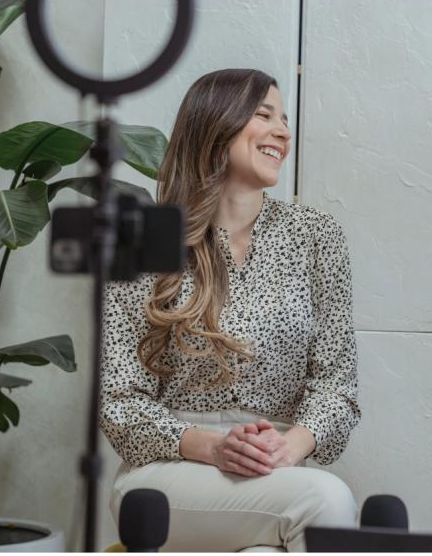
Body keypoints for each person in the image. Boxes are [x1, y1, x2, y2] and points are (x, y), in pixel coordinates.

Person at [100, 68, 360, 552]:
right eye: (264, 115)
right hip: (169, 472)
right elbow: (118, 402)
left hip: (279, 471)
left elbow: (337, 386)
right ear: (216, 124)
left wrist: (290, 446)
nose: (283, 131)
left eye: (284, 119)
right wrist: (214, 447)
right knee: (328, 503)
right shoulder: (144, 239)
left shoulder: (316, 235)